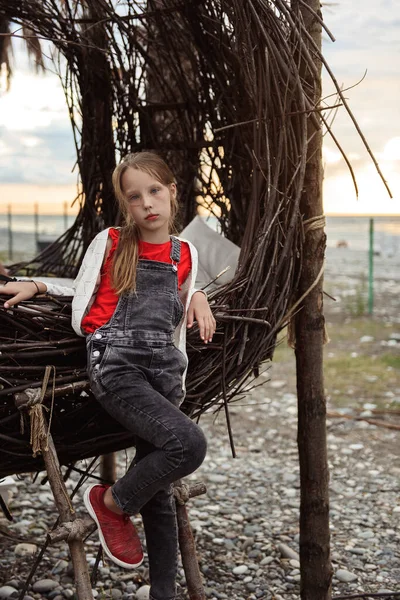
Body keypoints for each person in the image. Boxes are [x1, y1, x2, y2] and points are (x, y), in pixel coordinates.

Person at [2, 152, 216, 600]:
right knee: (188, 444)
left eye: (155, 191)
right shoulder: (113, 240)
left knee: (158, 486)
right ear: (126, 204)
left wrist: (198, 294)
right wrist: (39, 286)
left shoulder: (186, 252)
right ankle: (111, 502)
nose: (147, 204)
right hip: (116, 365)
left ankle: (164, 593)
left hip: (164, 373)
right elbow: (80, 288)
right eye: (135, 197)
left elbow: (180, 301)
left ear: (173, 191)